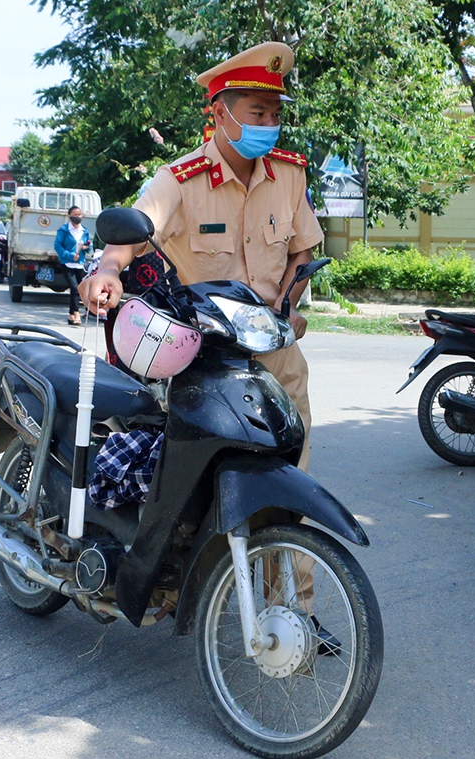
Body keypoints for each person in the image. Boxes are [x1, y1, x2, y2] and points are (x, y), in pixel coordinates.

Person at [79, 41, 324, 471]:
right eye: (258, 113)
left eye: (275, 115)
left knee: (293, 452)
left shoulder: (288, 174)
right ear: (220, 114)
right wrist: (109, 270)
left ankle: (285, 536)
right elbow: (136, 227)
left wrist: (287, 305)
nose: (270, 124)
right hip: (203, 350)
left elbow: (301, 249)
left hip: (273, 342)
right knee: (201, 465)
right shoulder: (179, 180)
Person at [54, 205, 92, 326]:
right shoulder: (64, 230)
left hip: (80, 264)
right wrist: (70, 255)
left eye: (79, 215)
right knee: (74, 287)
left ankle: (72, 314)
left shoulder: (84, 230)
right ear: (69, 216)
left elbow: (88, 245)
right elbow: (57, 246)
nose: (77, 217)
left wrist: (87, 247)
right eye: (75, 215)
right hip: (67, 263)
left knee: (79, 290)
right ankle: (75, 313)